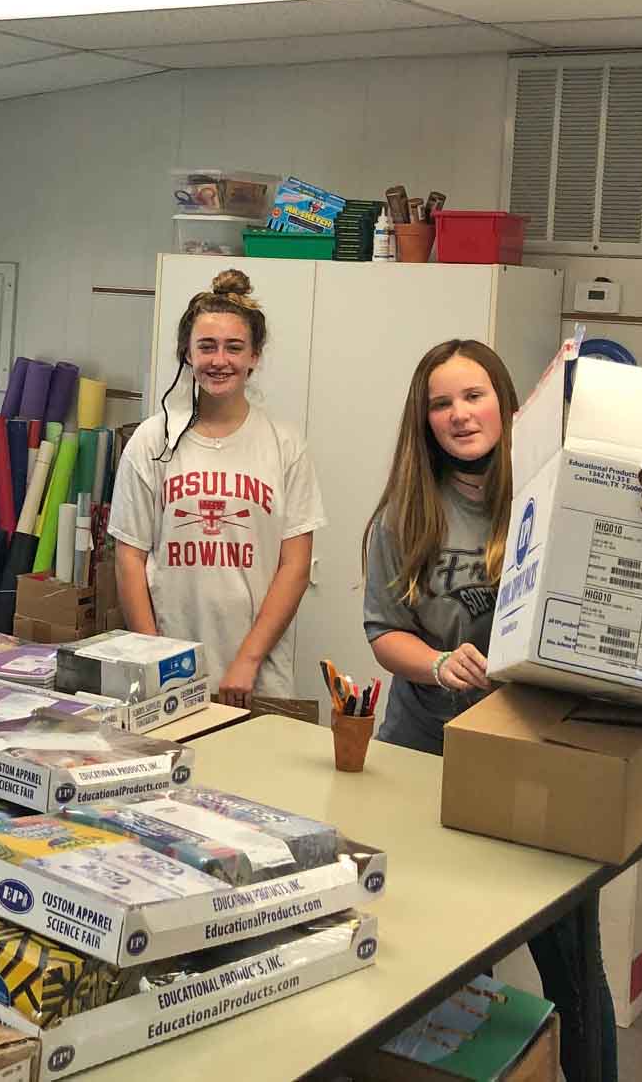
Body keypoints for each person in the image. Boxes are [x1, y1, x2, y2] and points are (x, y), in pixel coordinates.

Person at [363, 338, 616, 1081]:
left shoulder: (549, 492)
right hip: (426, 758)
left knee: (573, 967)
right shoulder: (403, 515)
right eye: (440, 403)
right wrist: (439, 663)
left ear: (506, 405)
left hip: (534, 763)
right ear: (424, 419)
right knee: (445, 958)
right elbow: (383, 631)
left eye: (473, 396)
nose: (459, 414)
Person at [108, 269, 325, 705]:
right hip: (171, 671)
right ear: (186, 354)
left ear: (254, 356)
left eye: (234, 347)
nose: (219, 360)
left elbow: (295, 565)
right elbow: (129, 557)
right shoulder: (151, 441)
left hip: (257, 674)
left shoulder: (284, 445)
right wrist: (155, 658)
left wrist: (248, 660)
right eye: (206, 346)